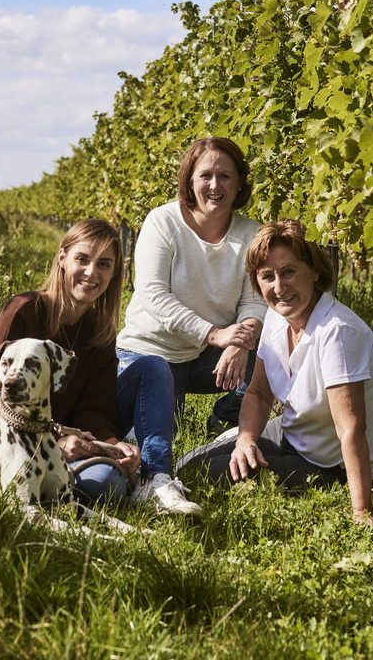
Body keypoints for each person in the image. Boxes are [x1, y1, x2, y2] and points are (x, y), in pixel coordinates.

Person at [179, 219, 373, 528]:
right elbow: (259, 394)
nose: (279, 287)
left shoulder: (337, 332)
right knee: (187, 466)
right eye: (267, 276)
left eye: (289, 272)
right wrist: (246, 441)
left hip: (330, 464)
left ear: (315, 272)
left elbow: (351, 429)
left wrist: (361, 512)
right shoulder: (278, 318)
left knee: (211, 474)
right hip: (291, 433)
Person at [116, 136, 267, 517]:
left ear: (239, 183)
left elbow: (254, 300)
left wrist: (241, 342)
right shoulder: (163, 221)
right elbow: (153, 294)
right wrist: (216, 334)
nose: (215, 186)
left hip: (204, 356)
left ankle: (227, 426)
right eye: (206, 176)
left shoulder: (251, 233)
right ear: (190, 180)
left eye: (225, 176)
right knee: (152, 438)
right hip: (150, 356)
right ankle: (156, 479)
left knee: (268, 355)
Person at [0, 219, 140, 503]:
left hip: (72, 448)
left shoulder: (100, 332)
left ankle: (153, 476)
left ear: (113, 273)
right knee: (101, 486)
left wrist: (112, 446)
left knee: (109, 483)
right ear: (62, 258)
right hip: (8, 446)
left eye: (104, 264)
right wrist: (56, 444)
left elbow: (95, 410)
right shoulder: (23, 313)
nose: (91, 272)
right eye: (82, 259)